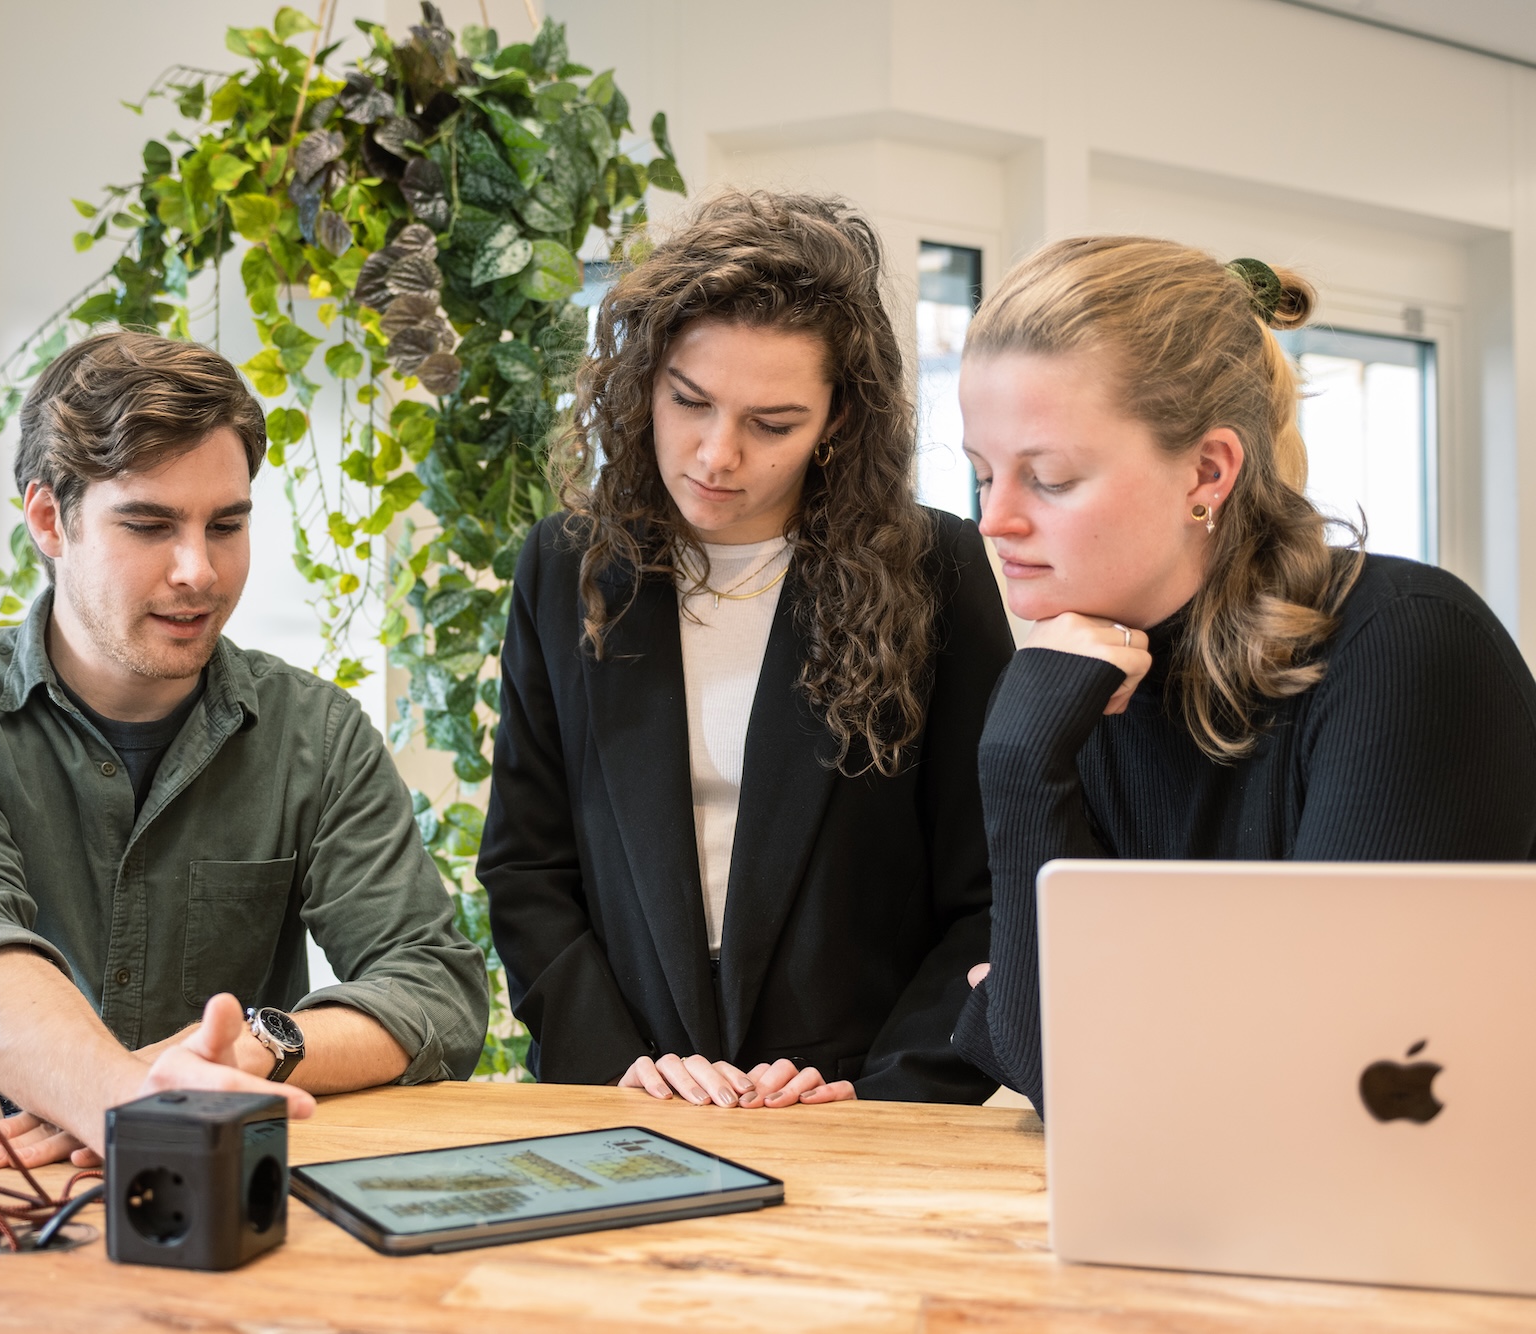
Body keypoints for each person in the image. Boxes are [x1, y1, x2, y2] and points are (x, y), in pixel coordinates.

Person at [0, 330, 488, 1167]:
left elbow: (434, 986)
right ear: (49, 521)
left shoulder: (315, 733)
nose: (199, 571)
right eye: (149, 525)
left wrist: (257, 1047)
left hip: (223, 1172)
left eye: (226, 525)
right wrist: (128, 1099)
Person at [951, 238, 1536, 1118]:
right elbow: (1054, 1071)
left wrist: (1118, 996)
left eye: (1051, 478)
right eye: (984, 475)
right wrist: (1018, 761)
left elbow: (1342, 1068)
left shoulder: (1406, 644)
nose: (995, 521)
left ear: (1208, 470)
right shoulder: (1065, 685)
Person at [478, 190, 1014, 1110]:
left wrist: (890, 1091)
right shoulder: (568, 565)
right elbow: (529, 867)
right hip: (630, 1091)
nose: (717, 455)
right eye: (689, 401)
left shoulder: (934, 570)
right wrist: (616, 1064)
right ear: (641, 376)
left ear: (839, 421)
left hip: (861, 1099)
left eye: (773, 424)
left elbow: (991, 885)